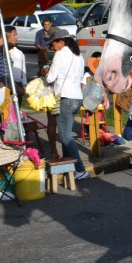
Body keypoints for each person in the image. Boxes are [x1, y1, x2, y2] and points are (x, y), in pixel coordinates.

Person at [45, 28, 89, 180]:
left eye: (53, 44)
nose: (52, 47)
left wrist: (45, 73)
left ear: (61, 41)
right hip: (77, 98)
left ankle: (81, 169)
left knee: (65, 136)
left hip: (65, 98)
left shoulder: (60, 54)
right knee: (66, 135)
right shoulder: (78, 55)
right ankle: (68, 168)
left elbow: (50, 78)